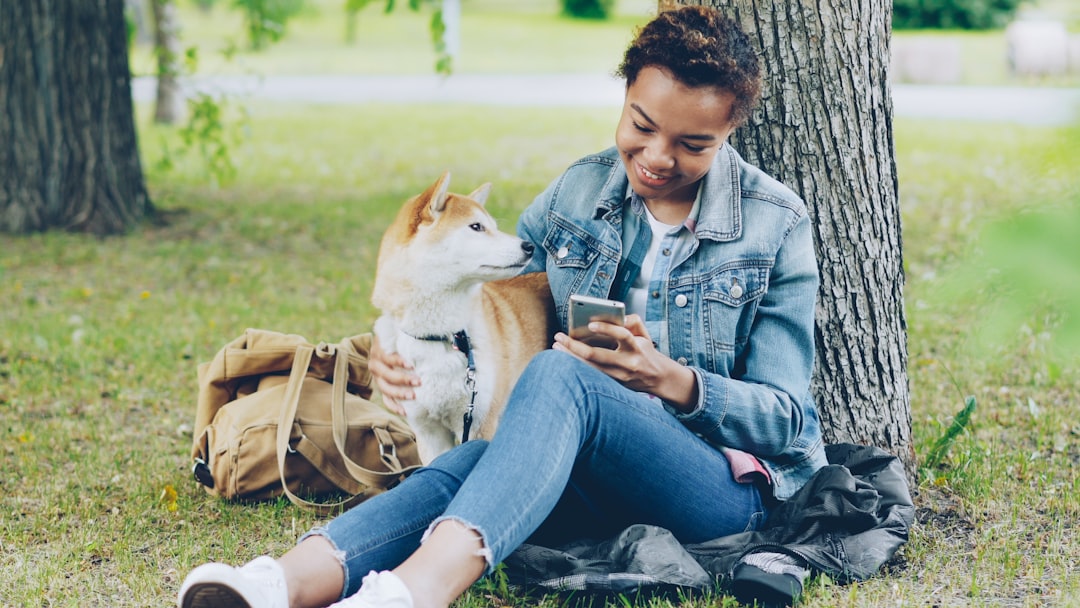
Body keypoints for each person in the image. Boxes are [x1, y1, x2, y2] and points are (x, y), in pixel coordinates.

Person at [177, 5, 828, 608]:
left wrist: (672, 381)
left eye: (693, 144)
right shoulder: (579, 193)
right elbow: (487, 294)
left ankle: (414, 592)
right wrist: (397, 346)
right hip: (587, 468)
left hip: (720, 492)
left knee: (561, 375)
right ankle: (275, 584)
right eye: (642, 125)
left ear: (729, 132)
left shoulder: (773, 226)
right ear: (624, 98)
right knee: (467, 461)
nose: (657, 158)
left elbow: (784, 417)